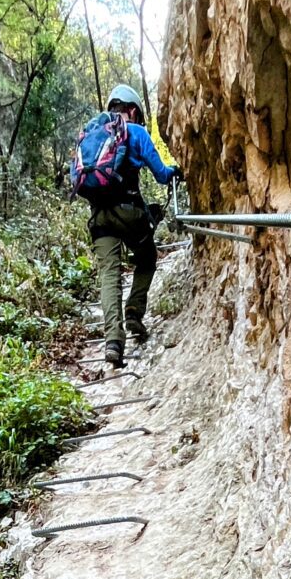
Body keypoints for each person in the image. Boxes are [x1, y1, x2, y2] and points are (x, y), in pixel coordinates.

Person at [79, 83, 180, 368]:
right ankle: (135, 309)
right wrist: (175, 172)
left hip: (99, 218)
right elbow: (161, 175)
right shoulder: (135, 131)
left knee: (109, 276)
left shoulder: (92, 133)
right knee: (146, 258)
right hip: (129, 213)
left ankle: (113, 342)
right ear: (133, 110)